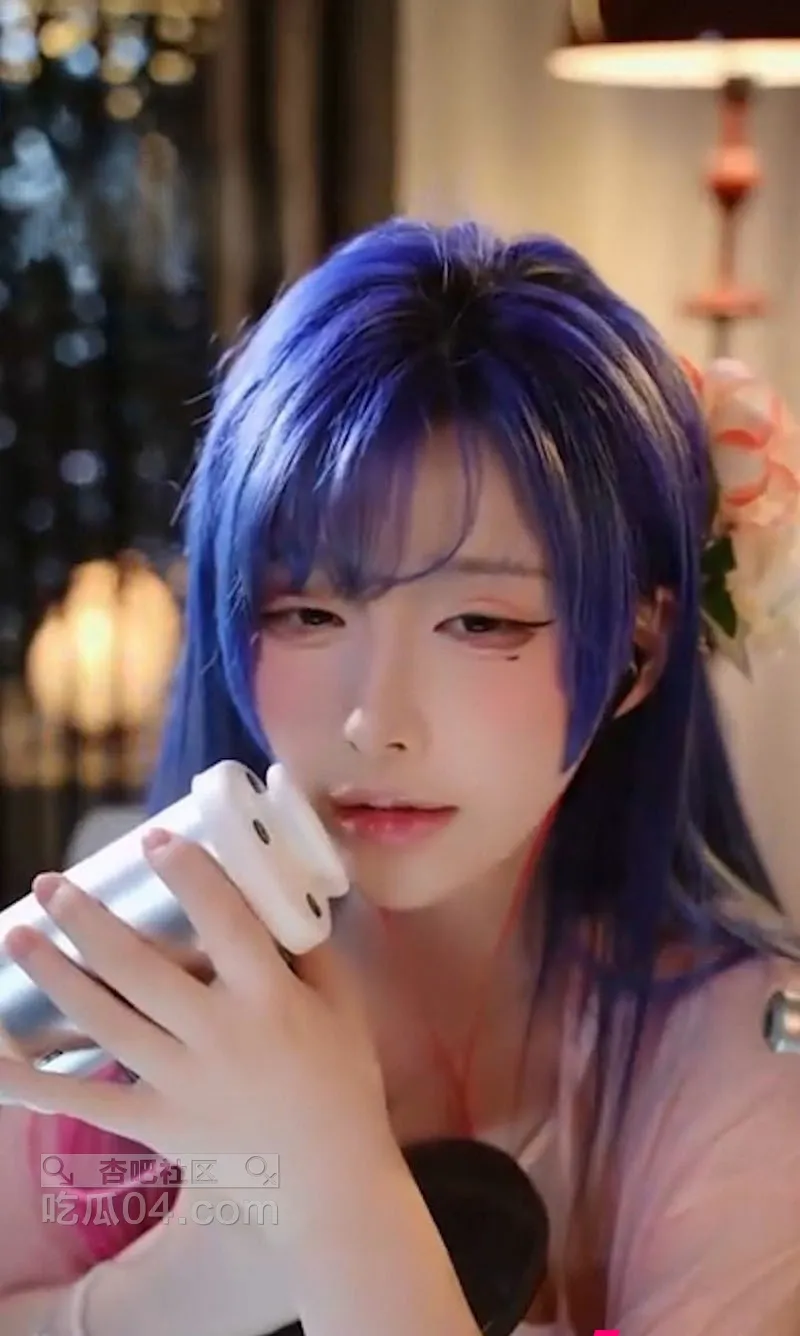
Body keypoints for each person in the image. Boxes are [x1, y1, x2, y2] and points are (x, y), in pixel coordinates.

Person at [0, 217, 798, 1336]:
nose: (376, 722)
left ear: (637, 649)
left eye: (481, 622)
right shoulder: (113, 987)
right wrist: (154, 1298)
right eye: (307, 612)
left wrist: (334, 1193)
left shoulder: (743, 1053)